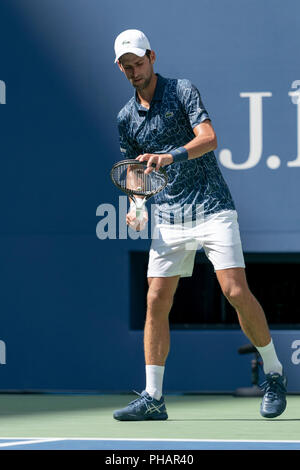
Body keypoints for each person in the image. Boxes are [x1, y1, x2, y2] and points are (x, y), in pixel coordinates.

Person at [112, 29, 287, 421]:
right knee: (156, 300)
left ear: (152, 57)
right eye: (127, 67)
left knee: (234, 289)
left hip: (211, 206)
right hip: (170, 216)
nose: (134, 71)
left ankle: (274, 373)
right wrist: (138, 205)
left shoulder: (182, 91)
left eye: (139, 63)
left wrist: (170, 156)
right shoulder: (125, 119)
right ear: (118, 67)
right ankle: (154, 397)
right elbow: (137, 175)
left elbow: (208, 138)